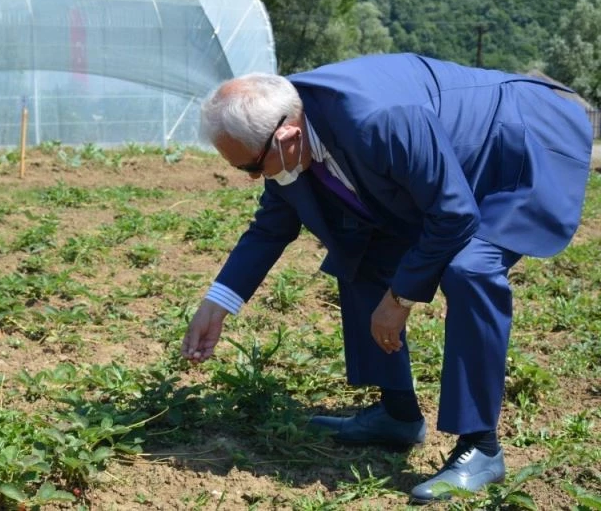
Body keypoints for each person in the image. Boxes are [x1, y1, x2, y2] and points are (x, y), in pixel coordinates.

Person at [180, 53, 592, 502]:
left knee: (471, 269)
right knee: (359, 249)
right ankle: (398, 415)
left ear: (288, 137)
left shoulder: (380, 120)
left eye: (251, 168)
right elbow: (271, 228)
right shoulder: (281, 118)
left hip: (511, 146)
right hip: (436, 164)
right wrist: (217, 304)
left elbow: (453, 215)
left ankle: (482, 447)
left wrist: (399, 299)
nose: (252, 178)